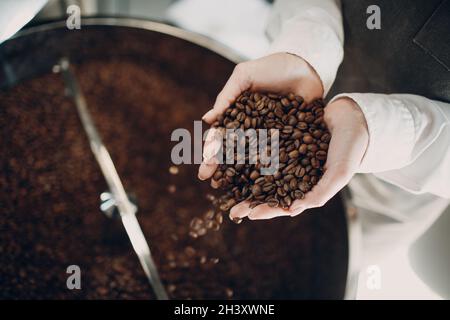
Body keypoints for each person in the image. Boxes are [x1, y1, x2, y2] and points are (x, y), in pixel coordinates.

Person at [198, 0, 450, 272]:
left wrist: (379, 129)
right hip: (309, 75)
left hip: (412, 177)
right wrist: (306, 48)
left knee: (319, 262)